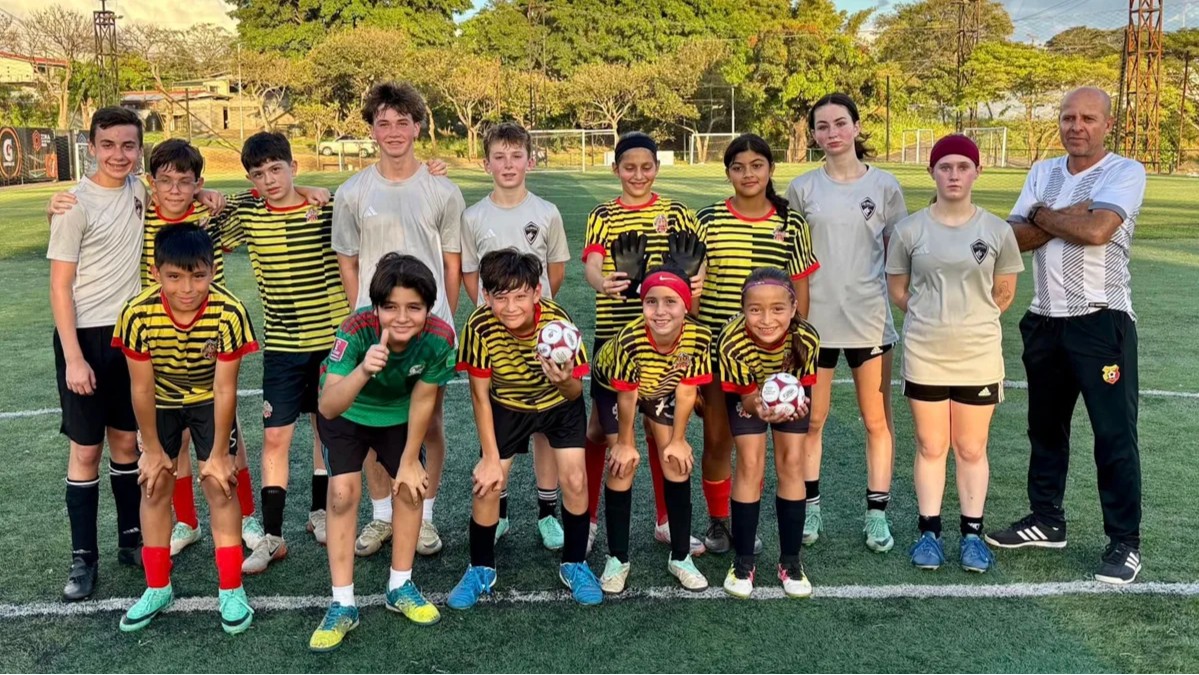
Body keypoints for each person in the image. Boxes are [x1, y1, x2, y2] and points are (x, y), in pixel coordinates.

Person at [987, 87, 1147, 585]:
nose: (1077, 126)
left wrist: (1044, 216)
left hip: (1101, 321)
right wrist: (1067, 218)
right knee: (1045, 429)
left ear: (1108, 123)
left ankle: (1125, 541)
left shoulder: (1125, 171)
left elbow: (1099, 231)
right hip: (1045, 319)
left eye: (1088, 118)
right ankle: (1046, 519)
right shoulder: (1043, 171)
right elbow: (1012, 236)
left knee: (1114, 435)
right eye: (1068, 117)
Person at [333, 81, 465, 559]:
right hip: (376, 330)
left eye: (402, 122)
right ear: (370, 129)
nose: (393, 131)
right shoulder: (352, 192)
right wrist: (363, 315)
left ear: (417, 126)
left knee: (428, 424)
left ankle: (424, 517)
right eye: (383, 122)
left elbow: (451, 262)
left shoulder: (443, 190)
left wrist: (441, 318)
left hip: (430, 332)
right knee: (370, 428)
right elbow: (348, 259)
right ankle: (382, 515)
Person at [886, 135, 1023, 573]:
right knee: (930, 444)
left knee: (970, 446)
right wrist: (932, 318)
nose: (954, 175)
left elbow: (1004, 293)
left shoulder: (997, 231)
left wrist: (969, 322)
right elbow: (898, 290)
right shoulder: (910, 229)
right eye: (945, 167)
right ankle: (928, 533)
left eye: (963, 167)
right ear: (932, 172)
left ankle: (971, 535)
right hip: (925, 353)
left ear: (977, 172)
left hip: (978, 357)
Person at [112, 223, 258, 633]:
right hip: (160, 400)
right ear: (157, 273)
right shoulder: (137, 313)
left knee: (219, 483)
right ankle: (158, 586)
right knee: (155, 482)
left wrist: (217, 456)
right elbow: (140, 388)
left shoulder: (229, 311)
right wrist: (154, 450)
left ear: (213, 270)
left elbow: (225, 387)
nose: (187, 288)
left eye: (198, 275)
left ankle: (230, 589)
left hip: (209, 400)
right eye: (174, 276)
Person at [308, 253, 456, 652]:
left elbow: (424, 401)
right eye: (390, 307)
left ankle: (400, 585)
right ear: (376, 308)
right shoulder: (355, 330)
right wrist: (363, 370)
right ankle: (342, 603)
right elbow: (327, 406)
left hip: (398, 414)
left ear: (429, 308)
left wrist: (409, 461)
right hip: (348, 410)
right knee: (342, 495)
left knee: (410, 488)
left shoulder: (440, 338)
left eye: (414, 307)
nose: (402, 317)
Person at [223, 131, 351, 573]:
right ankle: (273, 536)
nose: (269, 180)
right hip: (282, 343)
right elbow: (206, 220)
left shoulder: (326, 207)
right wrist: (205, 191)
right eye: (258, 174)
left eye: (276, 169)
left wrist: (324, 192)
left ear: (294, 166)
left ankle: (318, 514)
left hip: (332, 339)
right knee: (276, 435)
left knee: (326, 427)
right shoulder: (248, 212)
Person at [786, 93, 908, 552]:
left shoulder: (885, 186)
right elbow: (790, 254)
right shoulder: (802, 188)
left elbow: (900, 253)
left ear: (857, 128)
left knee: (876, 421)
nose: (832, 133)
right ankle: (810, 509)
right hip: (813, 324)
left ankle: (877, 514)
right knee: (812, 420)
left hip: (870, 321)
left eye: (840, 123)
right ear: (814, 134)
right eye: (822, 126)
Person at [448, 249, 602, 608]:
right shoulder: (479, 326)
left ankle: (575, 563)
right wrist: (488, 456)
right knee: (487, 484)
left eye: (520, 296)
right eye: (500, 297)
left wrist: (562, 380)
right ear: (487, 297)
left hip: (558, 405)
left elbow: (576, 390)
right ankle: (481, 567)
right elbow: (479, 396)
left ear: (537, 292)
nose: (511, 306)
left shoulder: (558, 323)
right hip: (507, 406)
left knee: (576, 479)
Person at [582, 131, 705, 555]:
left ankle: (666, 522)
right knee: (603, 429)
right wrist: (609, 283)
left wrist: (692, 285)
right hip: (616, 339)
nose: (638, 175)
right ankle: (589, 516)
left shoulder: (677, 212)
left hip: (667, 342)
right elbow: (593, 268)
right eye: (629, 167)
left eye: (646, 167)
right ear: (616, 169)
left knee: (662, 430)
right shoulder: (603, 214)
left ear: (657, 167)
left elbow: (696, 283)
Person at [695, 133, 818, 555]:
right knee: (719, 440)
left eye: (757, 165)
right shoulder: (708, 219)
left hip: (774, 354)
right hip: (717, 349)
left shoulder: (791, 223)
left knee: (762, 444)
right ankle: (719, 522)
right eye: (738, 167)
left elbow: (800, 292)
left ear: (770, 169)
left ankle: (754, 524)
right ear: (727, 172)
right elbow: (693, 288)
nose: (748, 174)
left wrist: (793, 350)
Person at [48, 107, 147, 601]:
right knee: (86, 450)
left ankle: (131, 539)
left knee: (127, 445)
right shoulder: (74, 205)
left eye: (127, 146)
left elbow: (186, 192)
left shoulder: (140, 192)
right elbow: (60, 286)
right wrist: (73, 357)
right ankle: (83, 558)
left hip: (129, 338)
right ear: (91, 147)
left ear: (138, 149)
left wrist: (209, 193)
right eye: (108, 145)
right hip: (84, 340)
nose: (118, 154)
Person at [461, 121, 570, 551]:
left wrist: (533, 316)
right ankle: (500, 510)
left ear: (530, 159)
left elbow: (555, 269)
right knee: (498, 418)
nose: (508, 164)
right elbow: (470, 271)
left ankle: (547, 512)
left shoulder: (546, 213)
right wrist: (494, 312)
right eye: (499, 157)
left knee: (545, 426)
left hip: (539, 333)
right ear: (486, 162)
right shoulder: (473, 216)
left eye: (516, 156)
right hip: (495, 336)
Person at [592, 266, 712, 594]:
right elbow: (627, 395)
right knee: (623, 464)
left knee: (675, 461)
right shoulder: (630, 339)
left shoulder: (699, 337)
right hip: (616, 388)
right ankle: (617, 558)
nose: (660, 312)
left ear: (686, 305)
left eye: (670, 302)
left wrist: (678, 439)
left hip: (661, 388)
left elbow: (686, 390)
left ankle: (681, 557)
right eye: (651, 302)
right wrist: (625, 443)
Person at [717, 267, 819, 598]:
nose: (767, 319)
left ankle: (790, 561)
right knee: (749, 462)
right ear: (743, 309)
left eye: (778, 309)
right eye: (755, 309)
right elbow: (746, 396)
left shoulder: (807, 339)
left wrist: (796, 404)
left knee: (792, 463)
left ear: (793, 309)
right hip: (749, 394)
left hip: (789, 397)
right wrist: (756, 404)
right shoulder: (731, 341)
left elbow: (803, 388)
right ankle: (743, 561)